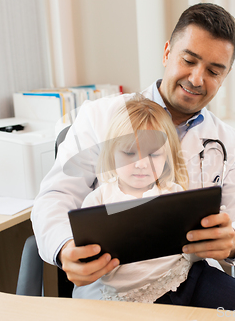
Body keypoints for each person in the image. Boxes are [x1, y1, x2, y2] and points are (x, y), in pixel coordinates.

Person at [32, 3, 235, 314]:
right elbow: (56, 197)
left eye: (214, 71)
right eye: (188, 60)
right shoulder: (101, 116)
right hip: (115, 287)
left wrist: (234, 239)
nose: (196, 78)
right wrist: (64, 247)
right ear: (167, 53)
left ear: (226, 75)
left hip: (190, 276)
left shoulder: (227, 140)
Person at [75, 95, 194, 302]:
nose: (141, 164)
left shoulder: (174, 194)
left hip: (181, 280)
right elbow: (85, 257)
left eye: (154, 155)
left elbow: (191, 249)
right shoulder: (99, 201)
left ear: (166, 158)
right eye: (130, 153)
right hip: (127, 295)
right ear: (112, 155)